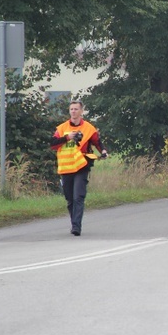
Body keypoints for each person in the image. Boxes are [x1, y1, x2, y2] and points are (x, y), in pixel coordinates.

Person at [50, 100, 108, 236]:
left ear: (82, 111)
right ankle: (74, 222)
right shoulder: (62, 128)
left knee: (78, 197)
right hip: (66, 167)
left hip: (82, 166)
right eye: (71, 109)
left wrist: (103, 152)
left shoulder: (88, 128)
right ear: (69, 111)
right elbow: (52, 144)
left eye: (76, 109)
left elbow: (97, 142)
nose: (74, 111)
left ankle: (76, 227)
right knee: (70, 199)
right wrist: (67, 137)